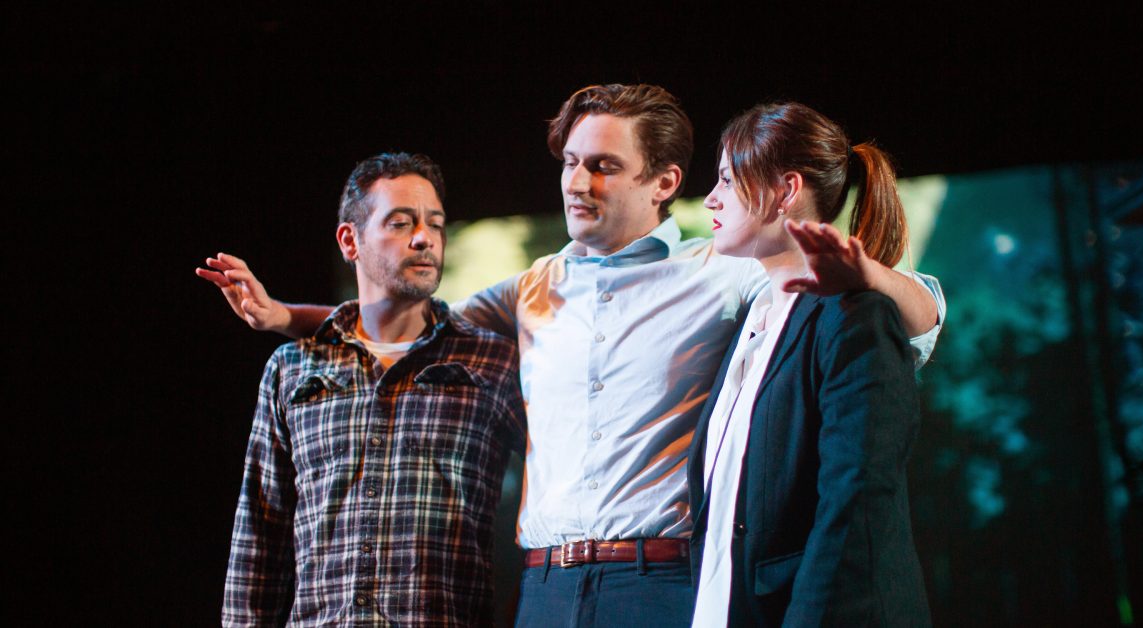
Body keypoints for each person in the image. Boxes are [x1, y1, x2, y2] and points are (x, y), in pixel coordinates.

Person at [201, 84, 944, 628]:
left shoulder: (726, 269)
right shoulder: (534, 288)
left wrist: (869, 276)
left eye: (603, 167)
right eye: (571, 163)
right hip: (546, 591)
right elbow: (418, 322)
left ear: (663, 183)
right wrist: (283, 316)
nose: (576, 183)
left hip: (661, 583)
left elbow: (921, 311)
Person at [209, 152, 525, 627]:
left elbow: (555, 505)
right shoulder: (293, 367)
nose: (424, 238)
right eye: (400, 223)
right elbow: (260, 533)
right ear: (349, 240)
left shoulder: (491, 364)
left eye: (435, 224)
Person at [688, 102, 932, 626]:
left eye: (728, 180)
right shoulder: (751, 320)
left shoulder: (853, 316)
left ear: (786, 190)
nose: (711, 197)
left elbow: (855, 500)